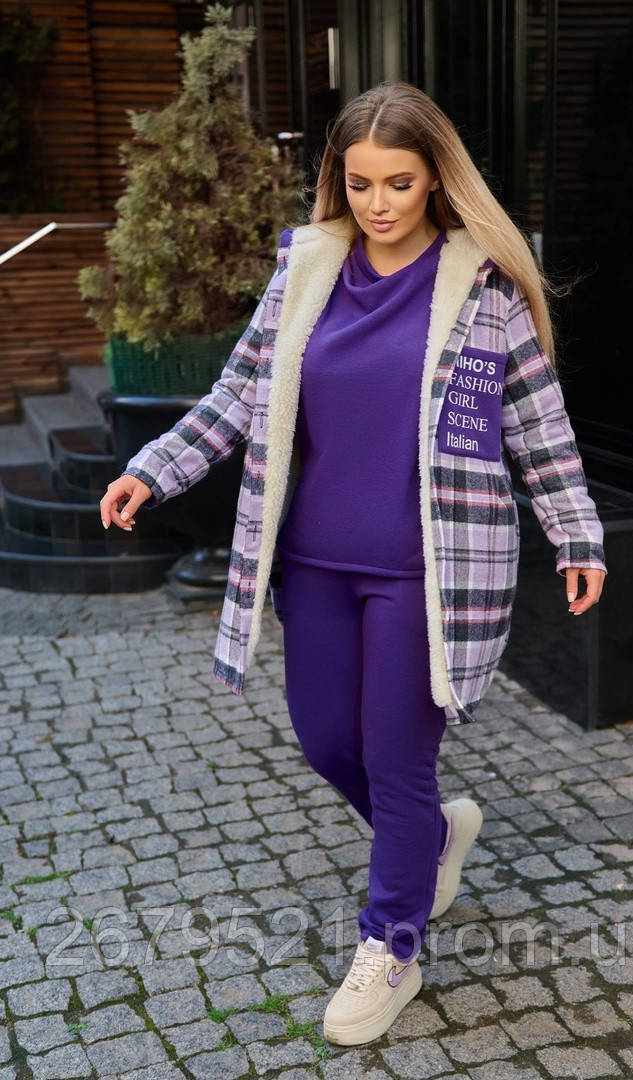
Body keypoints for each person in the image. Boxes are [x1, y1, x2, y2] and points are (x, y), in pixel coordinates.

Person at [100, 81, 606, 1046]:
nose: (378, 203)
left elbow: (538, 428)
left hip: (427, 571)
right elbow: (238, 395)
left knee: (396, 758)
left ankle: (392, 946)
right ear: (339, 177)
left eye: (399, 183)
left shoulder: (483, 286)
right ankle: (436, 838)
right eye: (361, 181)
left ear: (436, 179)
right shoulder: (307, 269)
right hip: (315, 562)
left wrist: (577, 536)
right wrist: (151, 468)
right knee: (326, 740)